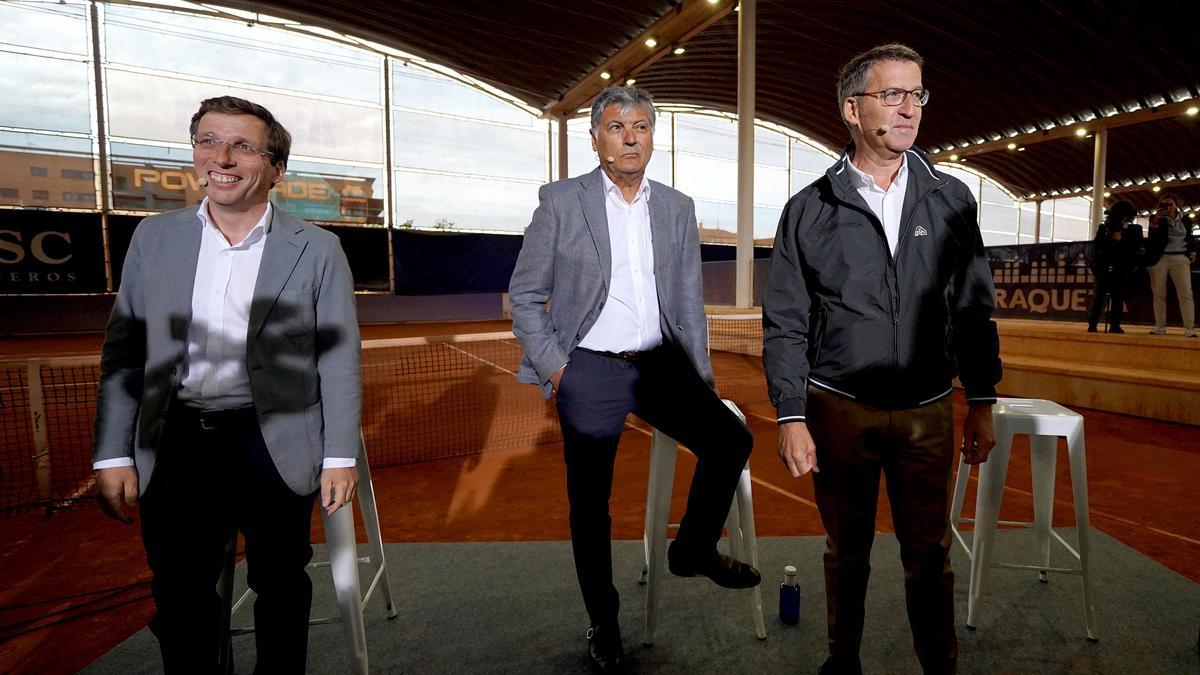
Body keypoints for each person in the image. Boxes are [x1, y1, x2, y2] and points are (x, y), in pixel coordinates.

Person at [92, 96, 362, 672]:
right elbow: (125, 350)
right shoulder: (153, 238)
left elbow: (338, 358)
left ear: (276, 169)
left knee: (281, 582)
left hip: (274, 442)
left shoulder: (317, 250)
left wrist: (339, 455)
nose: (223, 156)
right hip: (177, 441)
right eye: (209, 141)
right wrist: (112, 452)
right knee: (182, 589)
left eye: (243, 145)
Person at [762, 44, 1002, 675]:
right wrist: (790, 414)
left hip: (927, 412)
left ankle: (938, 665)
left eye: (916, 94)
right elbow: (785, 320)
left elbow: (974, 308)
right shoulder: (809, 209)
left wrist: (981, 399)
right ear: (851, 108)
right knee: (850, 552)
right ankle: (843, 662)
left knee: (930, 553)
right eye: (891, 94)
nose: (908, 108)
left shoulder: (952, 200)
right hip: (838, 408)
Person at [509, 86, 759, 673]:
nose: (630, 137)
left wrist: (702, 381)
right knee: (590, 507)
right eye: (617, 127)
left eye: (641, 127)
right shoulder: (560, 202)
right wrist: (558, 368)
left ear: (652, 138)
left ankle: (693, 549)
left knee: (731, 439)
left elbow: (689, 303)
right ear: (595, 137)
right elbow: (524, 296)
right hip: (588, 368)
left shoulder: (676, 206)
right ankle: (604, 619)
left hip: (660, 363)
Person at [1145, 194, 1197, 337]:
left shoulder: (1186, 220)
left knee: (1186, 293)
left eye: (1170, 204)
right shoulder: (1156, 219)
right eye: (1164, 204)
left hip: (1180, 257)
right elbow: (1152, 237)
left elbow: (1190, 238)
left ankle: (1189, 327)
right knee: (1159, 293)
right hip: (1160, 258)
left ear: (1176, 205)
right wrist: (1155, 221)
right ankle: (1160, 326)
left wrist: (1192, 253)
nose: (1168, 207)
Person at [1086, 200, 1142, 333]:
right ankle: (1092, 323)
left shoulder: (1135, 229)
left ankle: (1115, 324)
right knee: (1099, 296)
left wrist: (1121, 240)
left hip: (1123, 267)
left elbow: (1136, 248)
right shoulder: (1104, 228)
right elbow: (1097, 245)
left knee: (1118, 296)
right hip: (1103, 266)